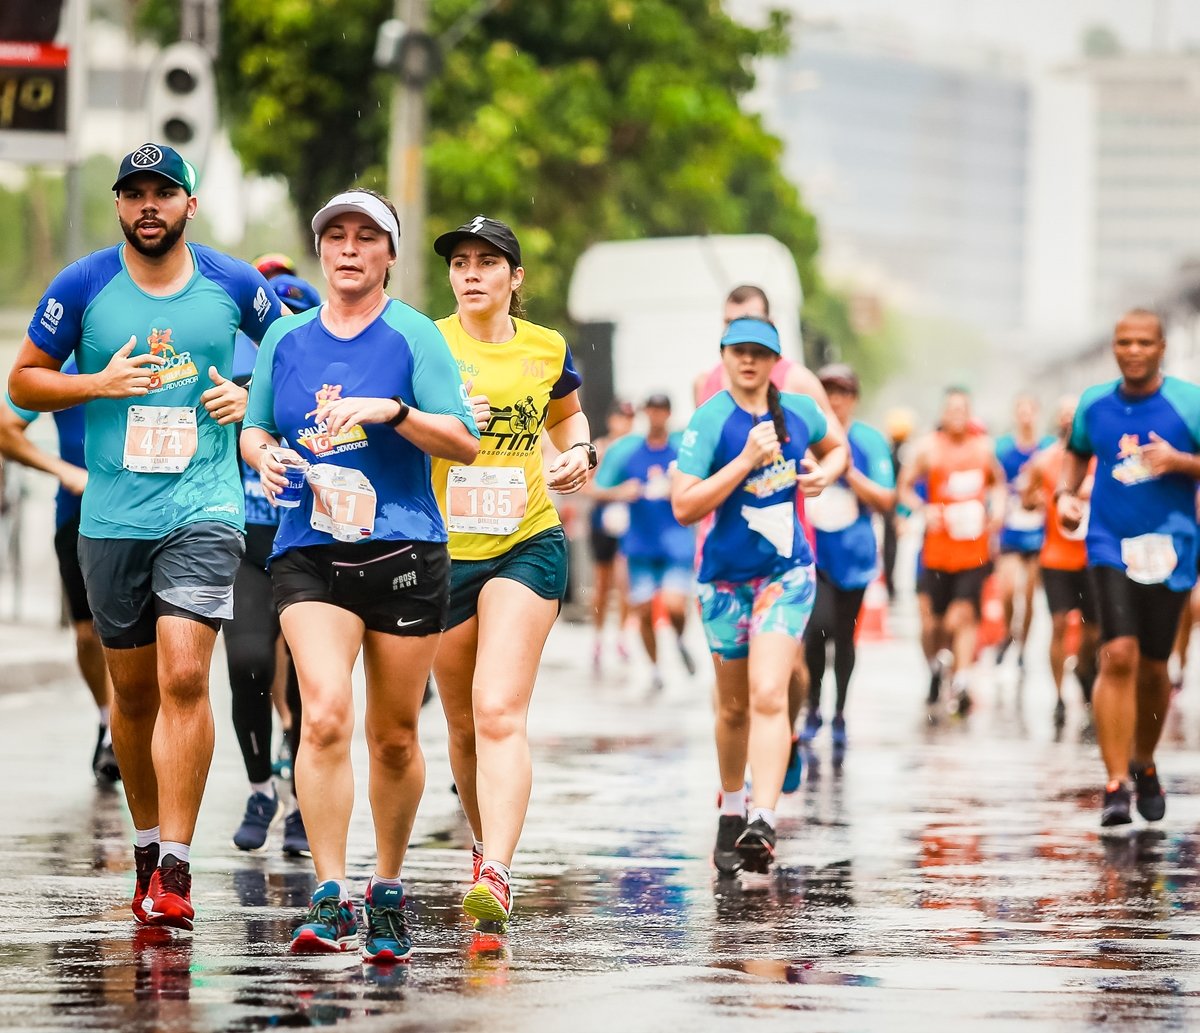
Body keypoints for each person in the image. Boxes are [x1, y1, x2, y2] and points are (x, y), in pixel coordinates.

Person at [8, 143, 283, 932]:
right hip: (112, 519)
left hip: (204, 509)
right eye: (135, 194)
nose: (149, 205)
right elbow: (24, 381)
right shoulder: (83, 285)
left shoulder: (234, 283)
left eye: (165, 192)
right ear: (121, 207)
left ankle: (178, 867)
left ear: (190, 205)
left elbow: (297, 358)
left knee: (186, 676)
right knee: (130, 696)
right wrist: (96, 383)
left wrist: (246, 396)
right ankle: (145, 843)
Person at [242, 188, 479, 959]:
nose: (348, 248)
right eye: (335, 236)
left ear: (389, 254)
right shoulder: (285, 338)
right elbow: (254, 428)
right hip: (308, 548)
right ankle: (330, 893)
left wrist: (392, 412)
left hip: (404, 549)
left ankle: (386, 887)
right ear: (322, 250)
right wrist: (267, 456)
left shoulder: (414, 337)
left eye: (365, 237)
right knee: (324, 714)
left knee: (396, 737)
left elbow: (463, 441)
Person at [429, 215, 592, 927]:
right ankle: (480, 842)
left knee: (498, 709)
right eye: (460, 261)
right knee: (462, 724)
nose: (471, 272)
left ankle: (497, 869)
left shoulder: (545, 347)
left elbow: (570, 420)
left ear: (514, 278)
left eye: (487, 262)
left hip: (525, 539)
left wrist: (580, 456)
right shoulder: (424, 343)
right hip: (437, 552)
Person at [672, 317, 847, 876]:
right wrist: (745, 460)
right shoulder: (709, 421)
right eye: (738, 351)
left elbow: (836, 446)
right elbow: (684, 506)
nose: (748, 361)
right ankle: (731, 807)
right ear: (723, 355)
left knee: (770, 691)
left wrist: (827, 474)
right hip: (723, 579)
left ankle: (764, 820)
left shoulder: (798, 412)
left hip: (786, 573)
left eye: (760, 353)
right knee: (733, 705)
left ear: (776, 361)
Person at [1057, 308, 1200, 827]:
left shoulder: (1189, 402)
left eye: (1144, 342)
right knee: (1117, 654)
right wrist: (1066, 495)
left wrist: (1181, 462)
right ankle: (1115, 782)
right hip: (1109, 541)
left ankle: (1144, 762)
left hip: (1172, 544)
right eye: (1124, 343)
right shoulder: (1094, 404)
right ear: (1114, 349)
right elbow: (1075, 454)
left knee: (1155, 667)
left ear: (1161, 348)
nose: (1133, 351)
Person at [225, 271, 321, 858]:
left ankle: (306, 802)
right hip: (247, 546)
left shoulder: (323, 382)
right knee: (248, 664)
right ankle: (262, 787)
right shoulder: (231, 380)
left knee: (315, 683)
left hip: (312, 545)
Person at [1, 361, 119, 784]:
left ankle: (129, 731)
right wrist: (62, 470)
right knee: (89, 634)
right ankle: (108, 721)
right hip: (78, 516)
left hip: (146, 514)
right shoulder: (66, 367)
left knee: (141, 635)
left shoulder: (155, 348)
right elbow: (5, 428)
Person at [801, 364, 896, 749]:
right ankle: (812, 708)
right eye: (828, 392)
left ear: (853, 399)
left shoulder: (868, 441)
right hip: (813, 554)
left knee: (844, 637)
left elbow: (886, 499)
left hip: (854, 557)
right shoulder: (805, 435)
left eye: (842, 393)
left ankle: (839, 712)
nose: (835, 400)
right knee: (816, 630)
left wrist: (847, 472)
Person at [898, 388, 1005, 716]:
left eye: (963, 409)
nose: (957, 415)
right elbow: (903, 488)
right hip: (936, 553)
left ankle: (961, 680)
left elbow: (998, 484)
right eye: (952, 410)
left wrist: (997, 511)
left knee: (963, 617)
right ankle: (935, 666)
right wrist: (922, 508)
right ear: (943, 414)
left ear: (969, 413)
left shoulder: (983, 449)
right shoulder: (928, 449)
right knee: (933, 625)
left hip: (973, 551)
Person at [593, 393, 696, 691]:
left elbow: (704, 481)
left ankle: (678, 639)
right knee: (645, 609)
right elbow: (597, 488)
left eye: (662, 410)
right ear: (645, 413)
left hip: (676, 541)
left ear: (669, 413)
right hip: (639, 542)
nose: (656, 416)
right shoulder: (627, 450)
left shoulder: (682, 448)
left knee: (675, 606)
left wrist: (679, 489)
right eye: (651, 410)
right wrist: (621, 492)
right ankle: (654, 668)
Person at [1021, 395, 1098, 726]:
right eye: (1064, 415)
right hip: (1055, 557)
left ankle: (1083, 669)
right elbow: (1025, 498)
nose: (1069, 421)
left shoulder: (1100, 459)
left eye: (1074, 415)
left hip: (1093, 557)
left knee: (1092, 631)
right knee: (1057, 623)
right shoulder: (1044, 460)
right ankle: (1057, 695)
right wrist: (1034, 499)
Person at [993, 396, 1056, 670]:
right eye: (1021, 411)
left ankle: (1023, 650)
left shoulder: (1048, 449)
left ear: (1038, 414)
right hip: (1011, 529)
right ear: (1015, 415)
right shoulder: (1003, 449)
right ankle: (1009, 632)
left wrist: (1044, 498)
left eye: (1031, 411)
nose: (1026, 417)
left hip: (1039, 531)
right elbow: (992, 482)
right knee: (1007, 591)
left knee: (1029, 595)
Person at [585, 399, 635, 673]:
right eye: (620, 417)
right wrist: (617, 493)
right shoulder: (600, 448)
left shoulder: (635, 447)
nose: (624, 423)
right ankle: (598, 637)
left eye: (629, 417)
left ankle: (623, 636)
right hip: (603, 518)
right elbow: (586, 487)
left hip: (629, 520)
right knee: (602, 583)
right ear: (611, 419)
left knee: (625, 582)